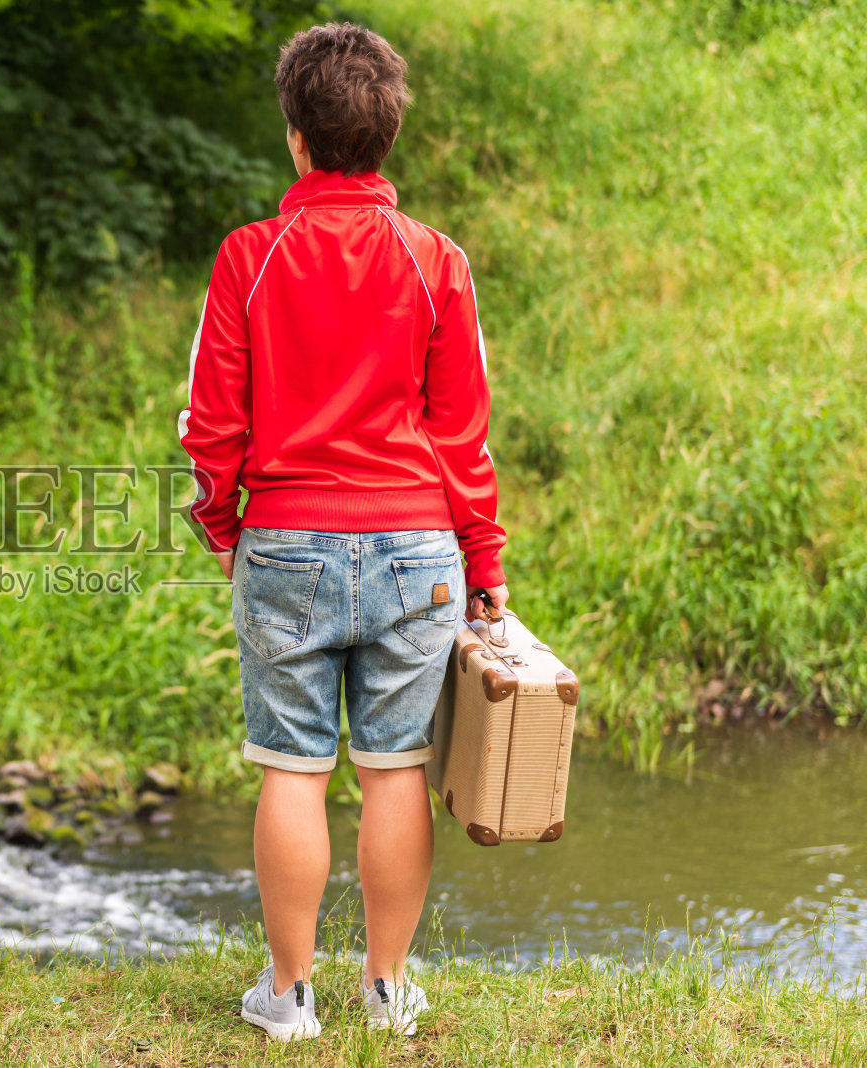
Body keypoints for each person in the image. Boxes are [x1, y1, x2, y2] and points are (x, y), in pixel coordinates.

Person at [176, 21, 509, 1041]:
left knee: (291, 765)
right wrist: (484, 566)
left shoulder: (250, 256)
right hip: (417, 549)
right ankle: (386, 989)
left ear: (295, 138)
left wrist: (222, 523)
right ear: (387, 138)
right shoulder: (433, 262)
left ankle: (287, 998)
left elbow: (211, 421)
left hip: (286, 541)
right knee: (395, 768)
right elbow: (463, 432)